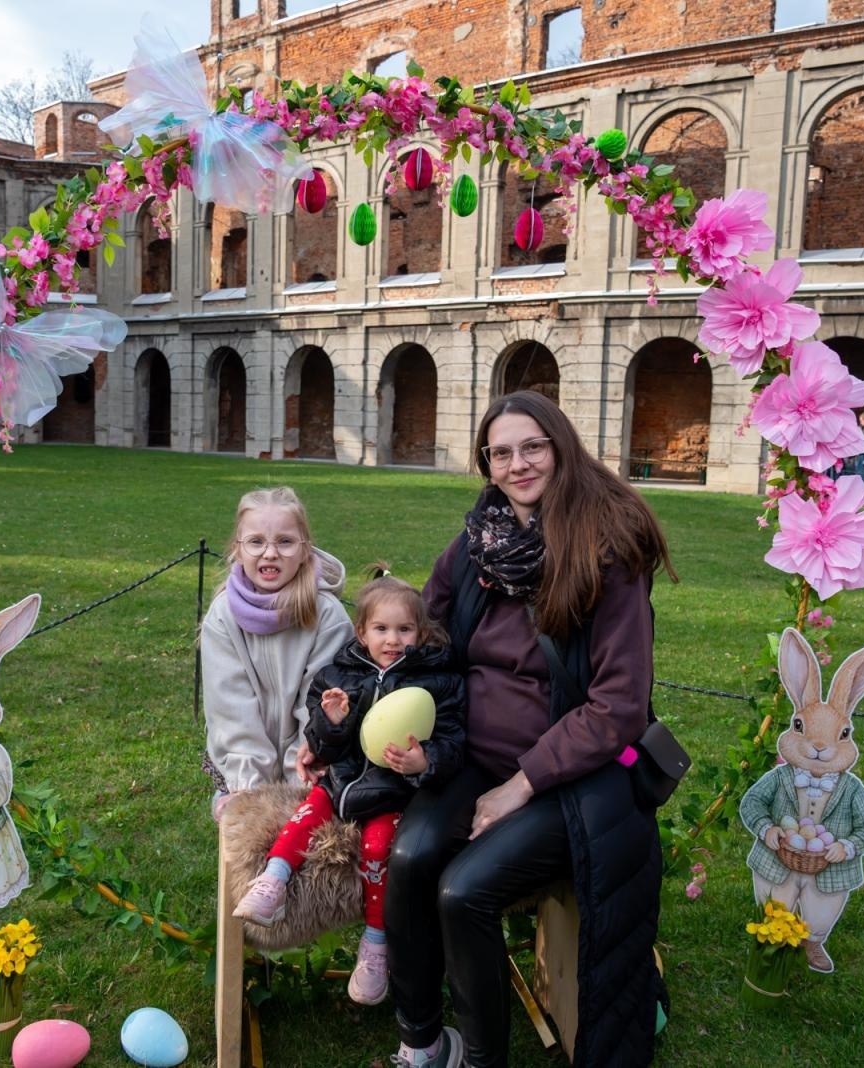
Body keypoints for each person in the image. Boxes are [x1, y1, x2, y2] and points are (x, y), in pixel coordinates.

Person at [386, 390, 676, 1068]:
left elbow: (619, 705)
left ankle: (485, 1060)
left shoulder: (609, 547)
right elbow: (425, 640)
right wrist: (357, 701)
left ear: (560, 446)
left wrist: (520, 786)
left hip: (570, 780)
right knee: (411, 858)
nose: (518, 464)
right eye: (501, 452)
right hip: (471, 758)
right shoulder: (474, 546)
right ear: (486, 464)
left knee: (464, 892)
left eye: (532, 448)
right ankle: (423, 1042)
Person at [232, 571, 466, 1006]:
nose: (393, 639)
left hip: (392, 796)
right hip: (339, 784)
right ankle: (273, 882)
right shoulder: (339, 674)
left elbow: (452, 742)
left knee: (379, 852)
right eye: (381, 629)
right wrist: (331, 723)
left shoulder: (437, 682)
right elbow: (320, 745)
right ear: (361, 632)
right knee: (305, 817)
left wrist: (424, 761)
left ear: (421, 632)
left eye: (404, 629)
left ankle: (375, 946)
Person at [201, 487, 354, 820]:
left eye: (285, 542)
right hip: (241, 768)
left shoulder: (327, 616)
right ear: (237, 551)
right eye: (256, 542)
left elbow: (317, 708)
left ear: (304, 550)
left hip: (312, 767)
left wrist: (296, 788)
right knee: (247, 844)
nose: (270, 553)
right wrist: (249, 790)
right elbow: (230, 710)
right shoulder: (222, 615)